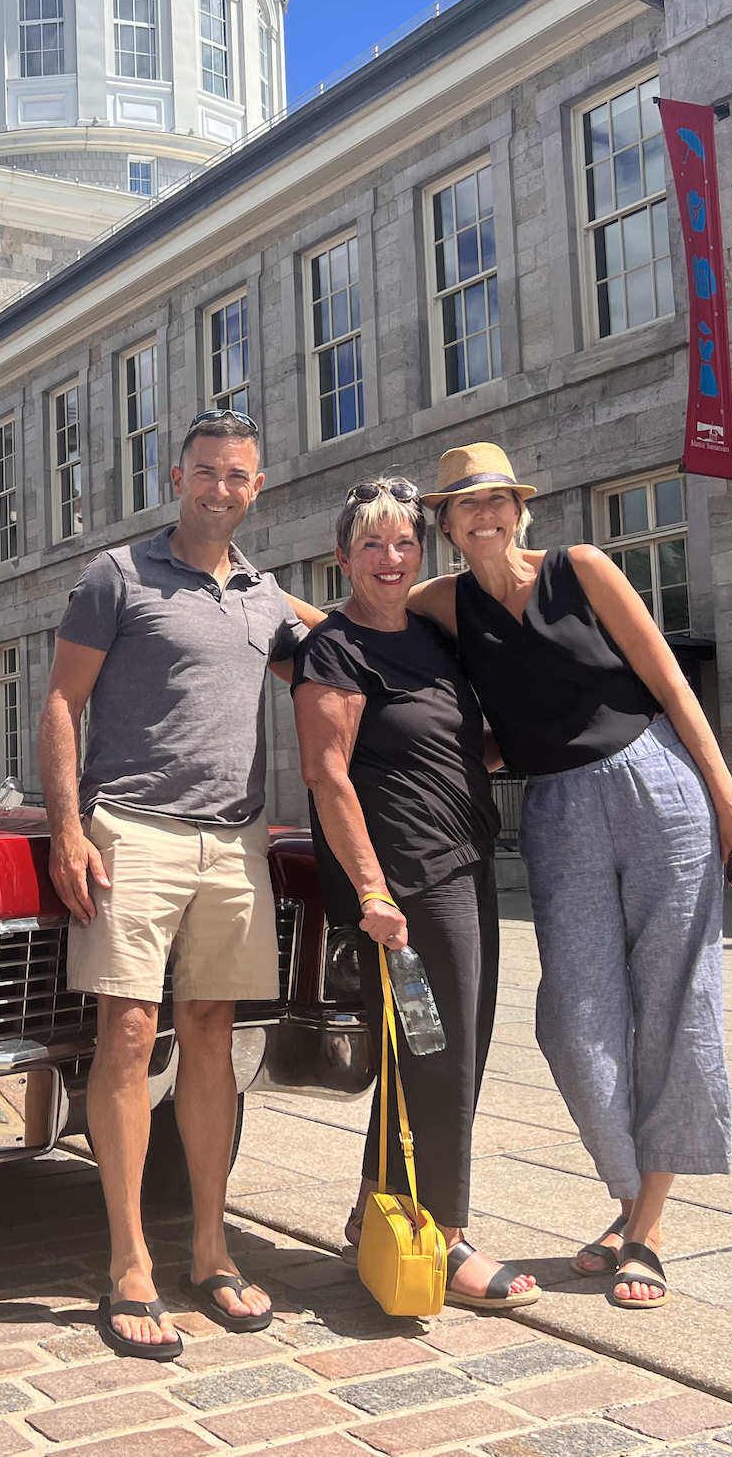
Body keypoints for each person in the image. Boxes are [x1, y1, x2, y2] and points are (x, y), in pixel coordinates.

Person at [410, 443, 732, 1310]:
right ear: (446, 526)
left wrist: (729, 798)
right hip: (557, 812)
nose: (484, 515)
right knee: (574, 1018)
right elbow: (357, 627)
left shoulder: (583, 568)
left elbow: (670, 682)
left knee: (675, 996)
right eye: (465, 506)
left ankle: (643, 1230)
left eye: (497, 500)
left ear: (517, 509)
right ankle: (627, 1197)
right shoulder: (439, 604)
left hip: (658, 784)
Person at [40, 408, 320, 1360]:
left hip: (235, 843)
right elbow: (60, 705)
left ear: (257, 486)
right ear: (177, 475)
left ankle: (210, 1250)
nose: (220, 490)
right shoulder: (117, 576)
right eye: (206, 473)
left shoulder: (266, 597)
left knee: (210, 1036)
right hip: (134, 833)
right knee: (124, 1030)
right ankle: (127, 1263)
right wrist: (69, 831)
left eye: (238, 477)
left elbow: (358, 651)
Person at [293, 477, 539, 1310]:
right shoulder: (334, 650)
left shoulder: (435, 639)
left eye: (404, 544)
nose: (392, 559)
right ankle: (448, 1233)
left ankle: (379, 1211)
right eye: (372, 545)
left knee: (438, 1048)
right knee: (442, 1055)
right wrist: (371, 890)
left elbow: (470, 747)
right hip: (405, 884)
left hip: (466, 864)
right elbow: (327, 779)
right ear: (343, 556)